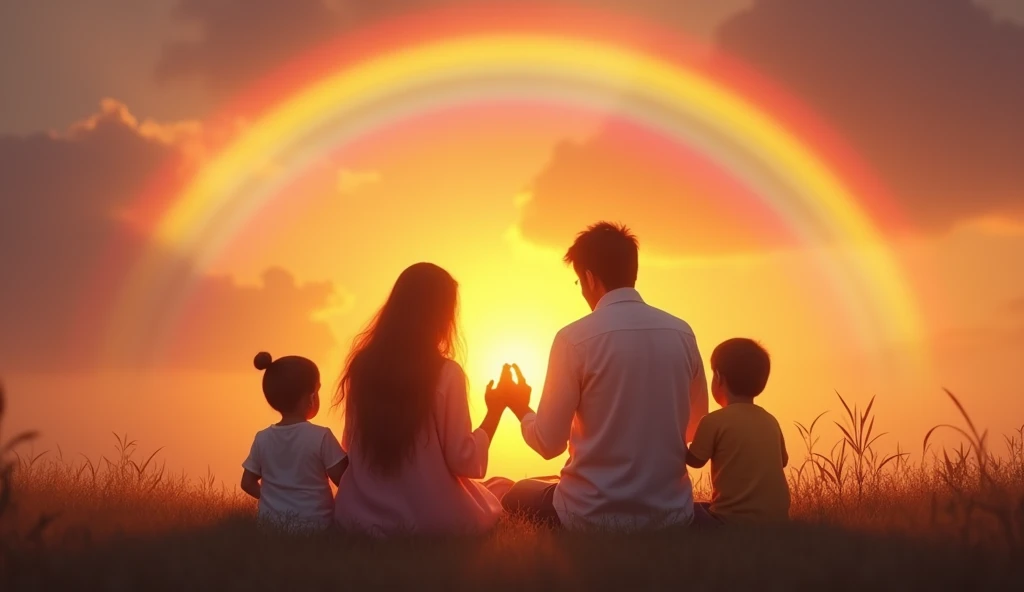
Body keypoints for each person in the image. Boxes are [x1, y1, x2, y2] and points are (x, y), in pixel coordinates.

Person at [498, 222, 709, 530]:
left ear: (589, 278)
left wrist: (521, 408)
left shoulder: (574, 339)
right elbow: (695, 430)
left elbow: (548, 443)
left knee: (515, 491)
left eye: (578, 282)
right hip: (671, 513)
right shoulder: (681, 333)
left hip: (587, 514)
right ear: (632, 271)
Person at [333, 262, 507, 536]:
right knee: (497, 493)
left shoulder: (362, 367)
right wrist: (495, 411)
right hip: (433, 519)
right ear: (440, 316)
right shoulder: (447, 374)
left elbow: (349, 446)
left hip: (358, 517)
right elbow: (462, 460)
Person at [686, 338, 790, 525]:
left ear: (718, 377)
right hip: (777, 521)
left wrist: (671, 439)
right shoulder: (770, 420)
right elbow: (783, 461)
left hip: (728, 521)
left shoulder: (713, 421)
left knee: (682, 509)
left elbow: (694, 461)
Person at [241, 352, 347, 532]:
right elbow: (345, 480)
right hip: (317, 529)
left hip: (271, 529)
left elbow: (247, 483)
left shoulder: (262, 438)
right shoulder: (321, 436)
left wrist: (272, 500)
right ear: (312, 396)